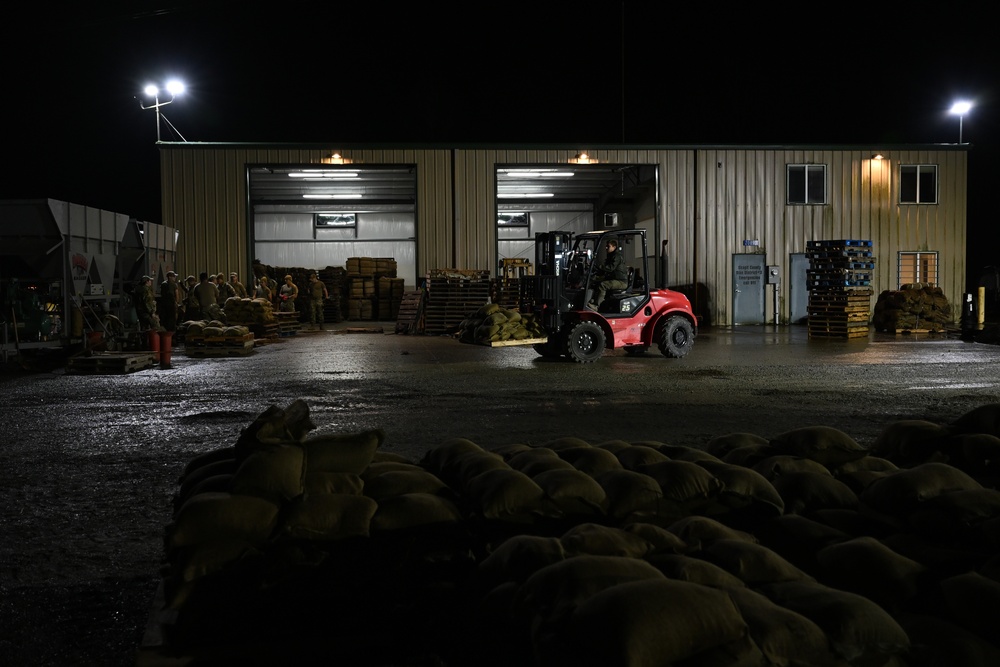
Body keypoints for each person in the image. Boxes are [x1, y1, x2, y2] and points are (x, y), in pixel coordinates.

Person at [588, 238, 628, 310]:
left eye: (608, 246)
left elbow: (610, 268)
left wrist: (599, 266)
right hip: (614, 278)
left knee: (603, 285)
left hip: (621, 281)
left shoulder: (616, 256)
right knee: (594, 281)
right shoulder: (611, 256)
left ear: (614, 247)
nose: (606, 248)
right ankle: (594, 300)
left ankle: (597, 306)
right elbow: (605, 269)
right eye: (606, 246)